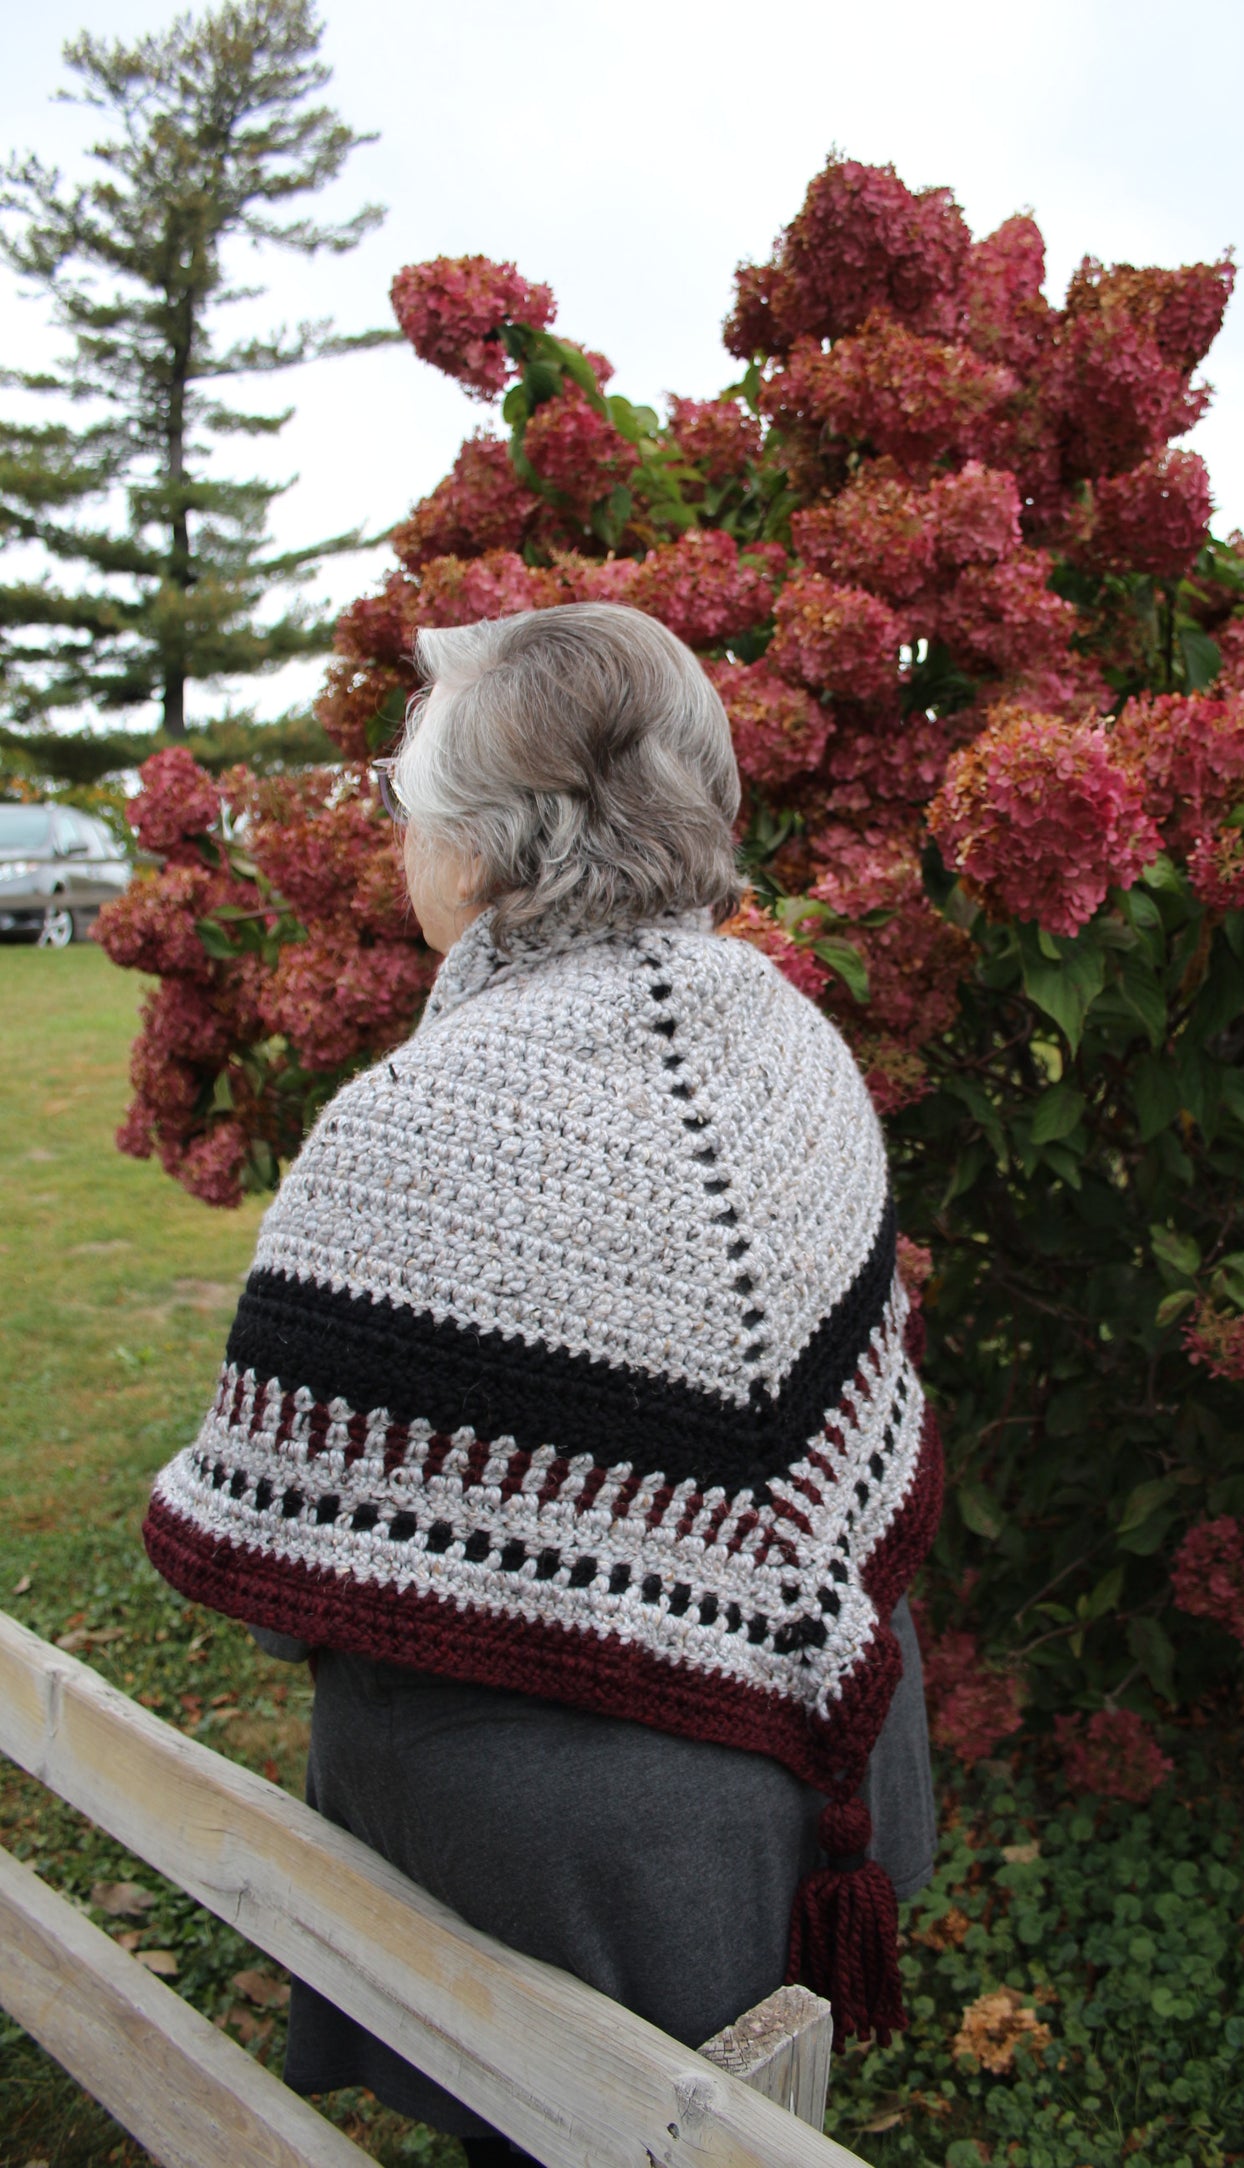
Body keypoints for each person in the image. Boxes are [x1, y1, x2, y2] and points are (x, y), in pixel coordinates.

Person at [142, 602, 943, 2163]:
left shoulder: (410, 1124)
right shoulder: (792, 1035)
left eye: (404, 807)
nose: (397, 841)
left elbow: (276, 1565)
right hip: (846, 1757)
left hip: (570, 1876)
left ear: (484, 851)